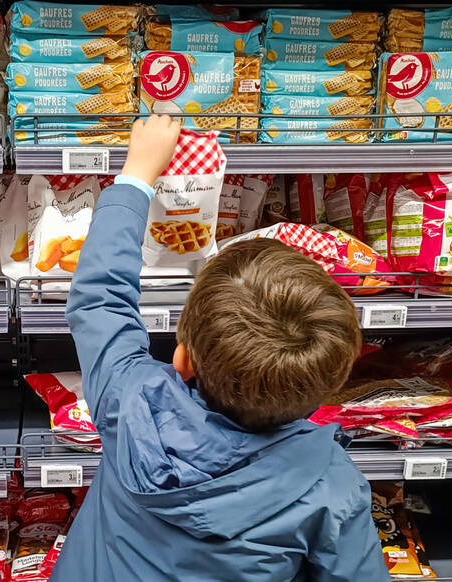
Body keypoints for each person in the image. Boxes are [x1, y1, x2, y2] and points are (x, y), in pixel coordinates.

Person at [54, 115, 387, 581]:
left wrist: (137, 176)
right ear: (330, 386)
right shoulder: (332, 484)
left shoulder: (130, 401)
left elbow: (99, 297)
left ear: (182, 357)